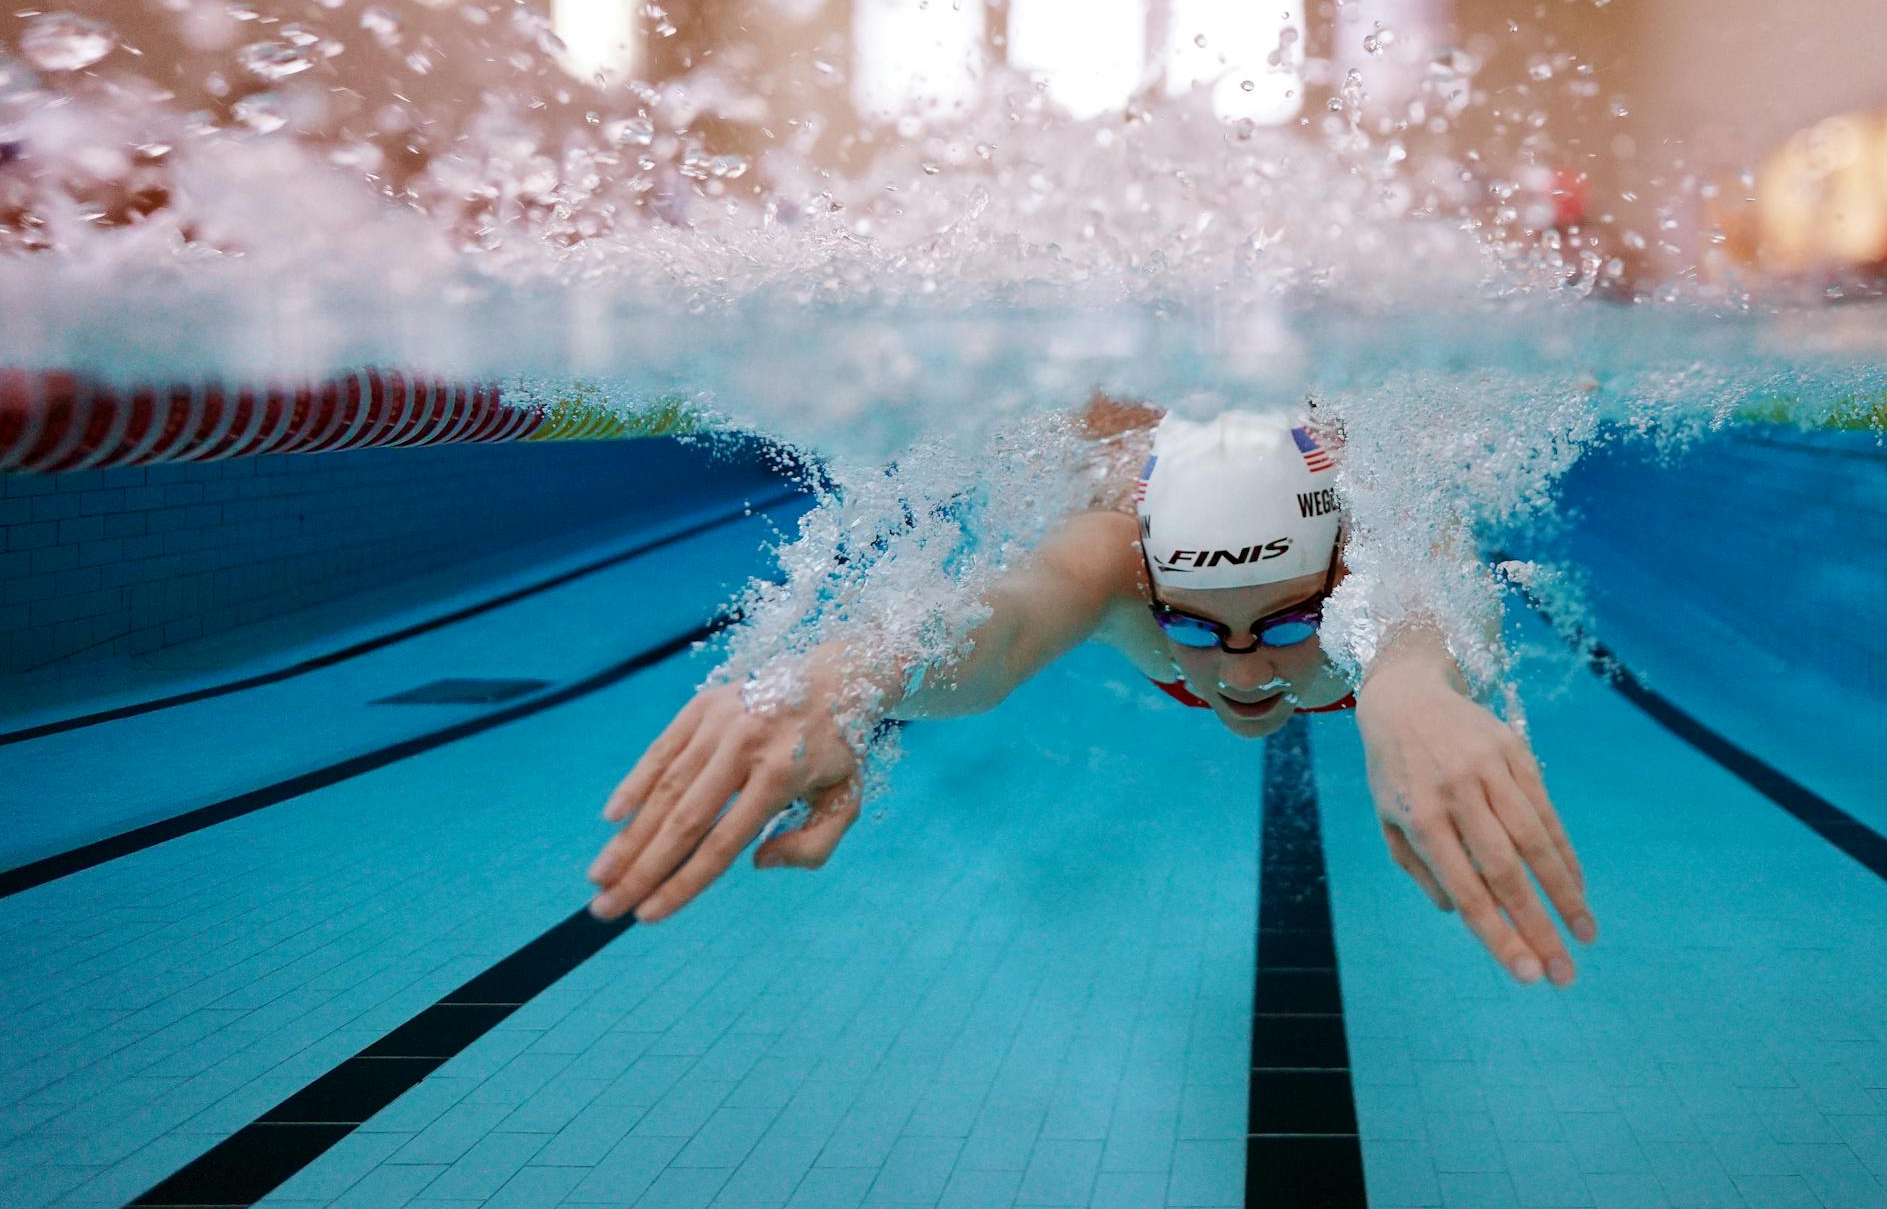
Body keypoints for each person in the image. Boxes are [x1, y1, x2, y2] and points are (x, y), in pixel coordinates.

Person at [587, 406, 1597, 987]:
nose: (1241, 673)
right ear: (1152, 588)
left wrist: (1410, 689)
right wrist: (843, 674)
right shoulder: (1119, 549)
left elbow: (1428, 603)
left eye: (1291, 623)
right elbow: (1013, 617)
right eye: (1194, 626)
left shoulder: (1372, 544)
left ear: (1337, 582)